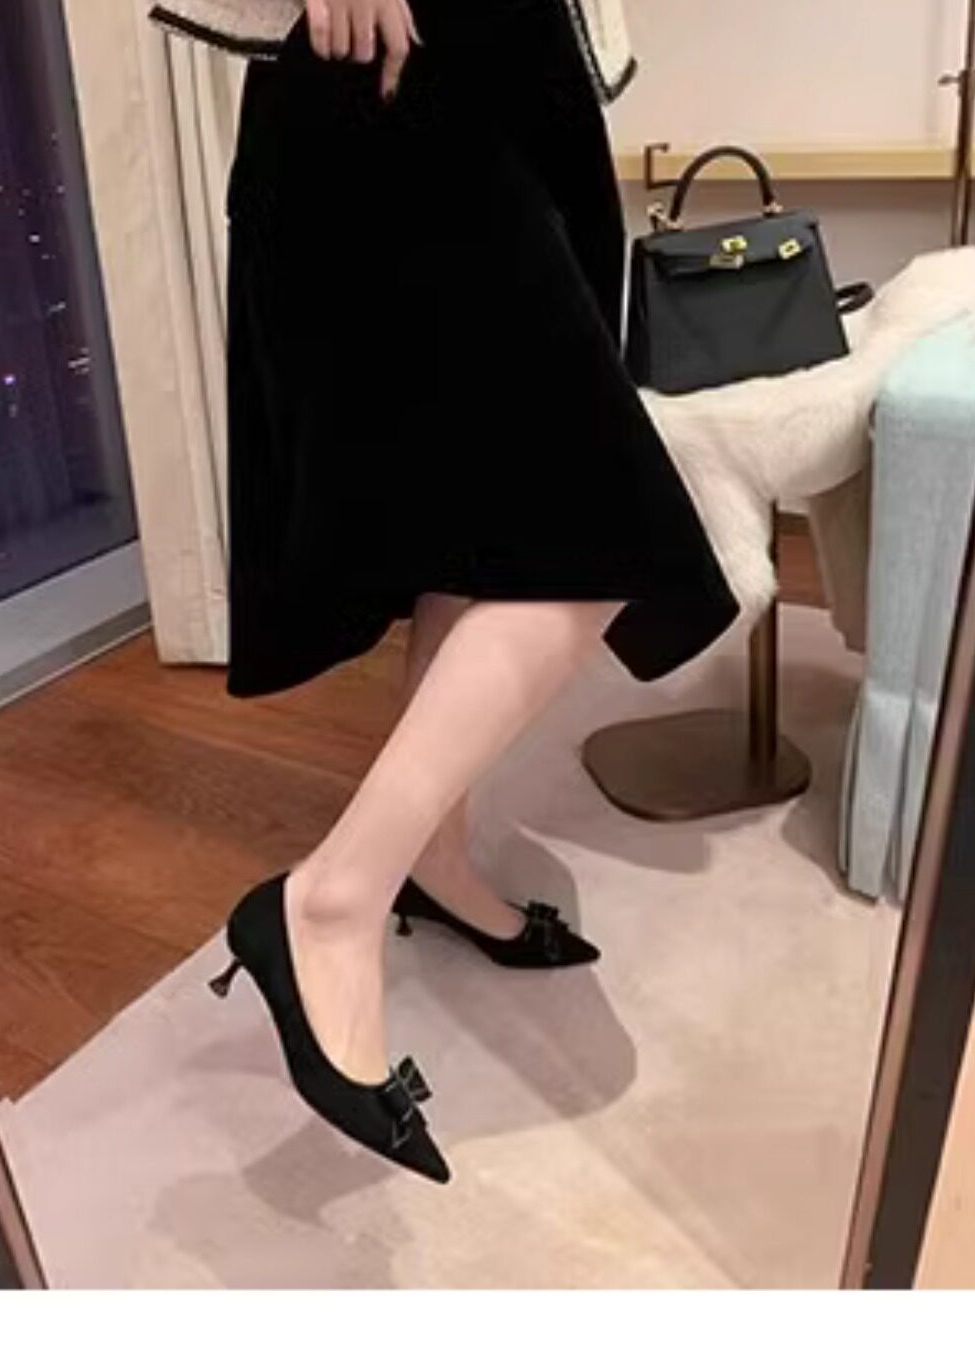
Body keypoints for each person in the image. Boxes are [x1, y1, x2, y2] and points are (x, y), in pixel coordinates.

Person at [162, 0, 739, 1182]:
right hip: (393, 70)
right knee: (598, 532)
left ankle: (435, 854)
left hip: (528, 73)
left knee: (486, 529)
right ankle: (331, 901)